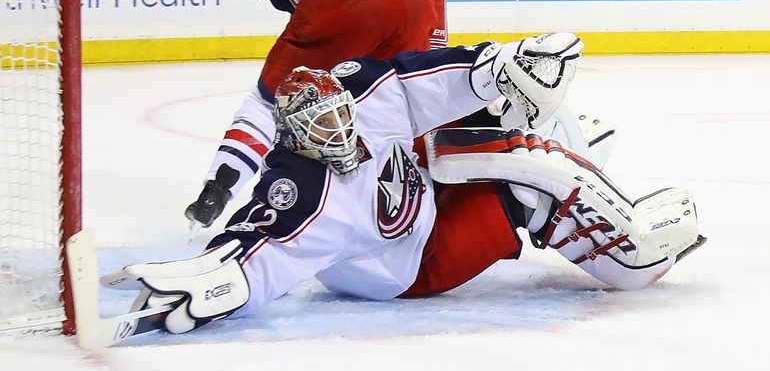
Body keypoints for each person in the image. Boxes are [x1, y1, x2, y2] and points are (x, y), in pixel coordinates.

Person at [105, 33, 704, 334]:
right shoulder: (301, 193)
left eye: (339, 116)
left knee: (498, 117)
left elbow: (419, 81)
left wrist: (502, 65)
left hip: (418, 191)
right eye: (321, 130)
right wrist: (202, 290)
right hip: (406, 265)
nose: (339, 133)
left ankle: (574, 142)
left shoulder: (363, 96)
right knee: (531, 176)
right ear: (294, 139)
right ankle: (634, 257)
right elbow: (254, 252)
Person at [184, 0, 448, 235]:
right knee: (402, 105)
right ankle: (422, 207)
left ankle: (219, 189)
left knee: (272, 103)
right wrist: (435, 32)